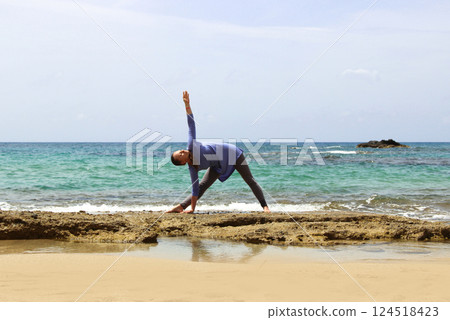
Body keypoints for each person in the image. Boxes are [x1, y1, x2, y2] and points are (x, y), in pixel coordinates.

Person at [166, 91, 270, 214]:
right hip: (217, 166)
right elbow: (195, 189)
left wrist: (187, 105)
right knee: (201, 187)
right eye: (181, 154)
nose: (183, 151)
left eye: (181, 151)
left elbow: (191, 125)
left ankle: (265, 206)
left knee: (249, 179)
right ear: (183, 162)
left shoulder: (191, 146)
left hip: (233, 154)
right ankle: (181, 207)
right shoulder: (192, 168)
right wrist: (192, 209)